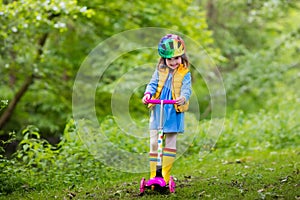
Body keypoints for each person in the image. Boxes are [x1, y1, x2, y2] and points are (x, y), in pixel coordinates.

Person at [142, 34, 192, 184]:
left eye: (176, 58)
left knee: (170, 142)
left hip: (173, 109)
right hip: (158, 108)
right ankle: (153, 176)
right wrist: (147, 94)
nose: (173, 62)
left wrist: (183, 97)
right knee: (153, 142)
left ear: (182, 57)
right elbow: (152, 84)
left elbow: (187, 89)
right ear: (164, 59)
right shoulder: (159, 71)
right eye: (169, 59)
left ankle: (164, 174)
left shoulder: (185, 73)